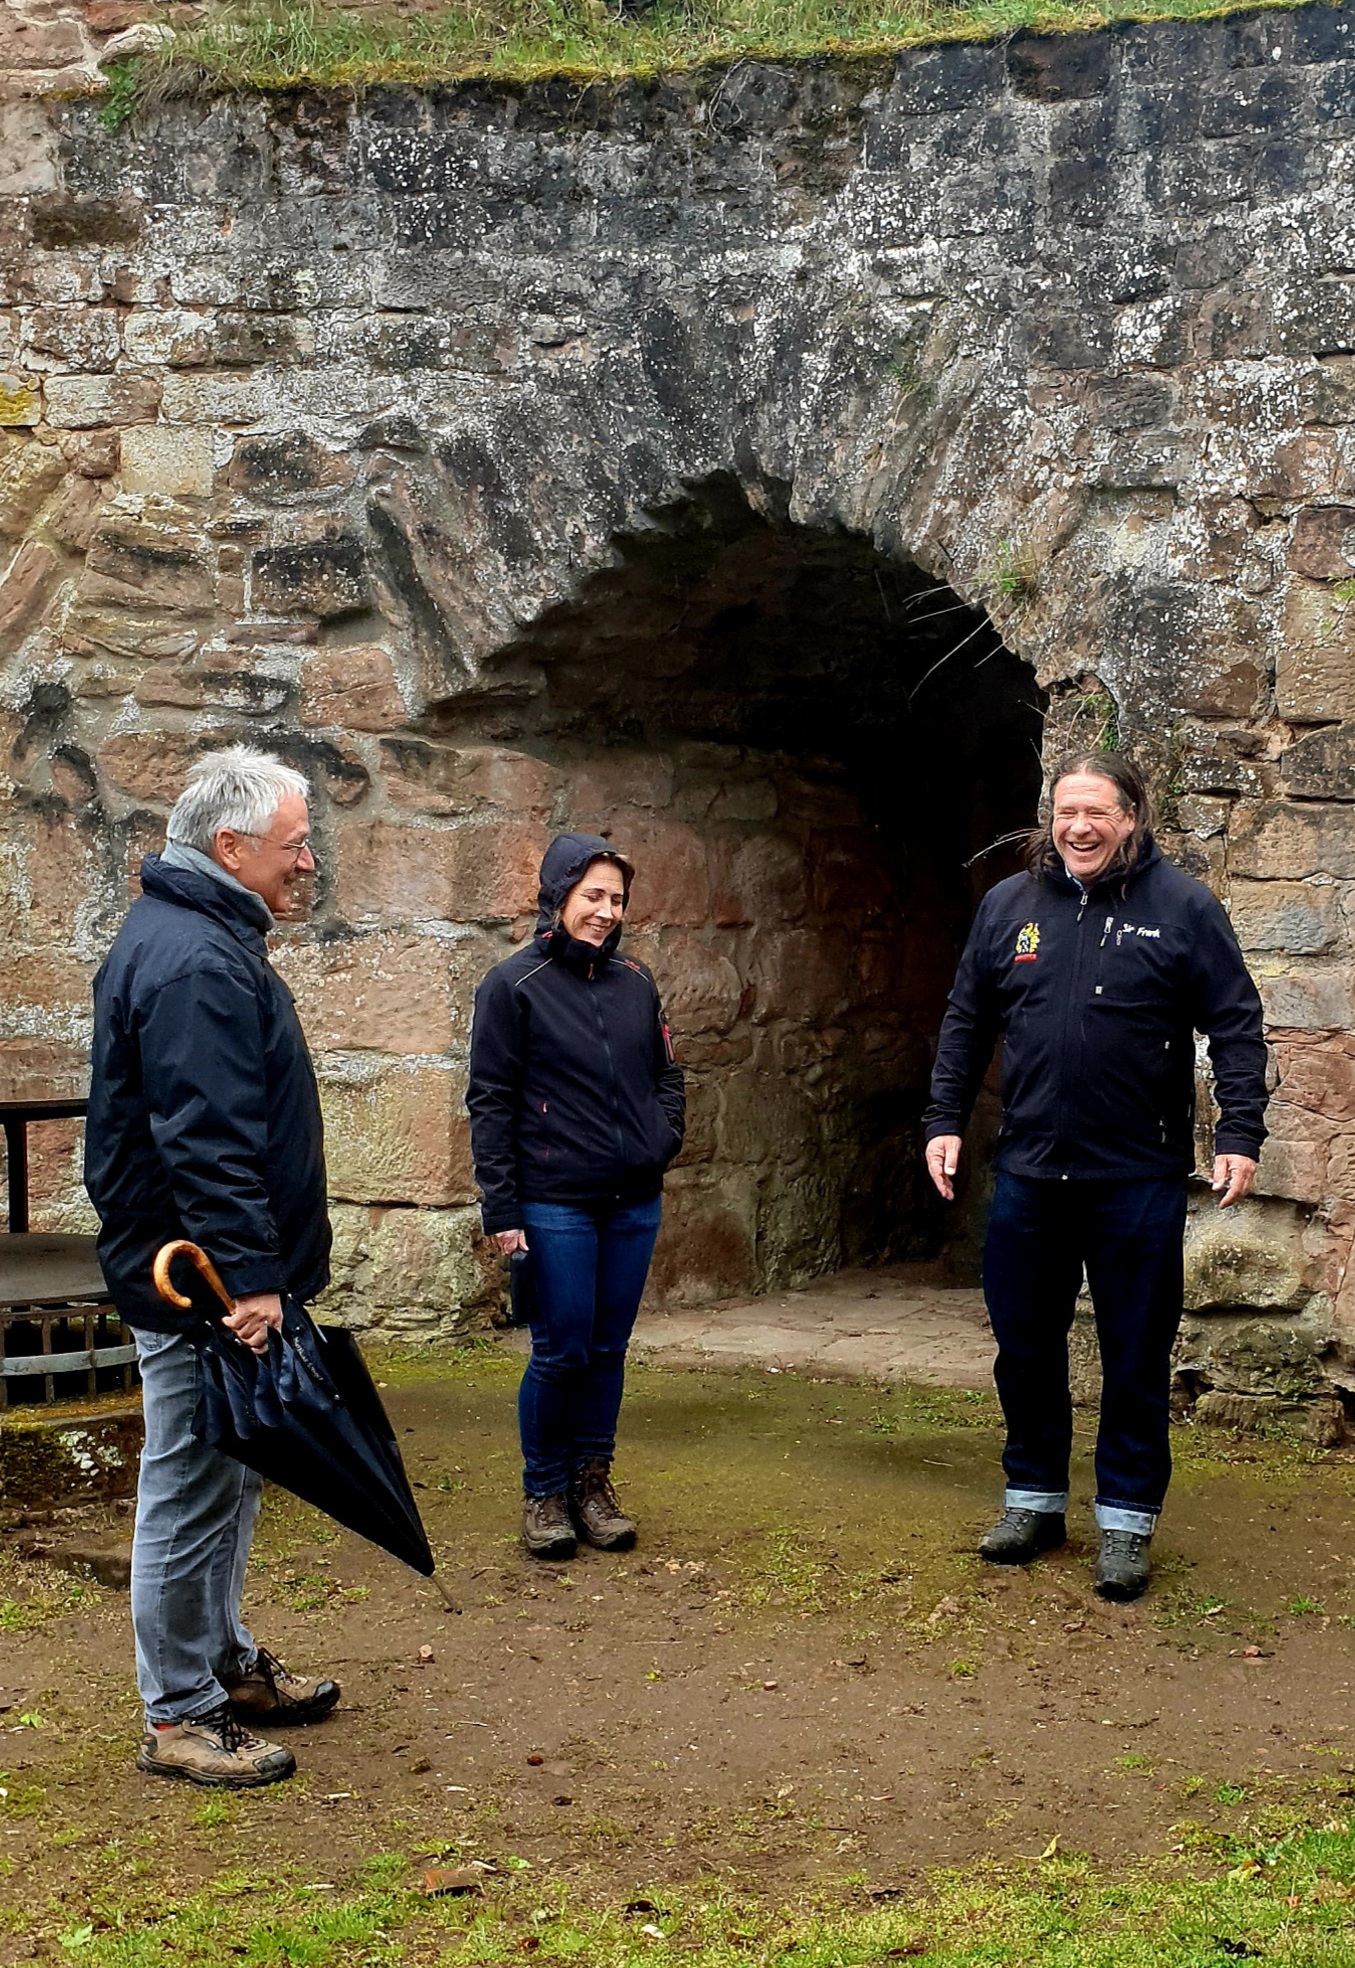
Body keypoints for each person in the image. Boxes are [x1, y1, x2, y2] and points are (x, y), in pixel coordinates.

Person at [922, 751, 1268, 1601]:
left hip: (1136, 1177)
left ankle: (1125, 1522)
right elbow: (966, 1019)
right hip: (1029, 1172)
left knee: (1133, 1355)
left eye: (1096, 813)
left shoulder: (1181, 907)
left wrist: (1238, 1132)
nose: (1078, 828)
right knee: (1025, 1348)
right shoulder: (1009, 905)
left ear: (1130, 817)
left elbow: (1235, 1024)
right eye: (1065, 812)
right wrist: (943, 1120)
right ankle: (1033, 1502)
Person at [85, 745, 339, 1788]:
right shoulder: (194, 958)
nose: (307, 862)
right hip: (199, 1281)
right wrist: (253, 1279)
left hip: (204, 1272)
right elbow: (206, 1139)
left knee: (229, 1474)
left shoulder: (197, 934)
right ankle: (179, 1712)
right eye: (294, 844)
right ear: (229, 847)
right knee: (191, 1484)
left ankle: (223, 1665)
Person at [467, 833, 685, 1561]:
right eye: (592, 895)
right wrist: (502, 1208)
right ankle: (545, 1494)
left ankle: (593, 1486)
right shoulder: (513, 986)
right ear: (558, 895)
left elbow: (667, 1073)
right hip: (553, 1199)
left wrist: (662, 1138)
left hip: (632, 1200)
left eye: (616, 899)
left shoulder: (635, 981)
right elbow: (490, 1101)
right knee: (561, 1349)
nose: (605, 911)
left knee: (607, 1348)